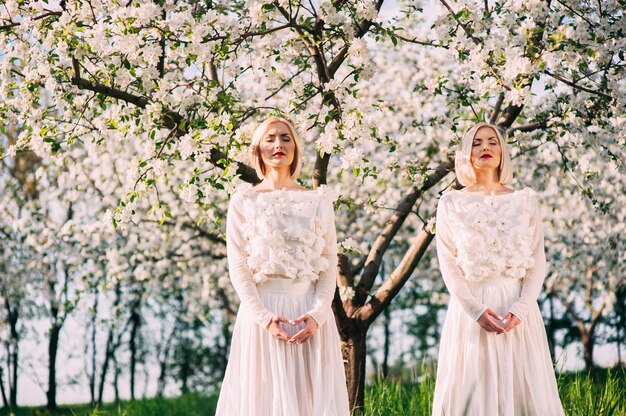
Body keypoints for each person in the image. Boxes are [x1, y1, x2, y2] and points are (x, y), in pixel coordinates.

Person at [215, 116, 350, 416]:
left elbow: (328, 263)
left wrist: (317, 315)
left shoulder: (318, 201)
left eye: (285, 138)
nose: (279, 145)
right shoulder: (243, 200)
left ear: (296, 148)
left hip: (310, 315)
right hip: (263, 313)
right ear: (258, 149)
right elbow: (237, 264)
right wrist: (263, 318)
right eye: (270, 138)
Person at [431, 122, 565, 416]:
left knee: (522, 395)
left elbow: (536, 261)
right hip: (470, 312)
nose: (486, 148)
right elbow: (448, 262)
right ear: (466, 153)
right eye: (477, 143)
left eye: (492, 141)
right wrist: (475, 310)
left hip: (518, 311)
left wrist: (521, 309)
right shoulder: (451, 202)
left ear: (503, 150)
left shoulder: (524, 200)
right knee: (474, 395)